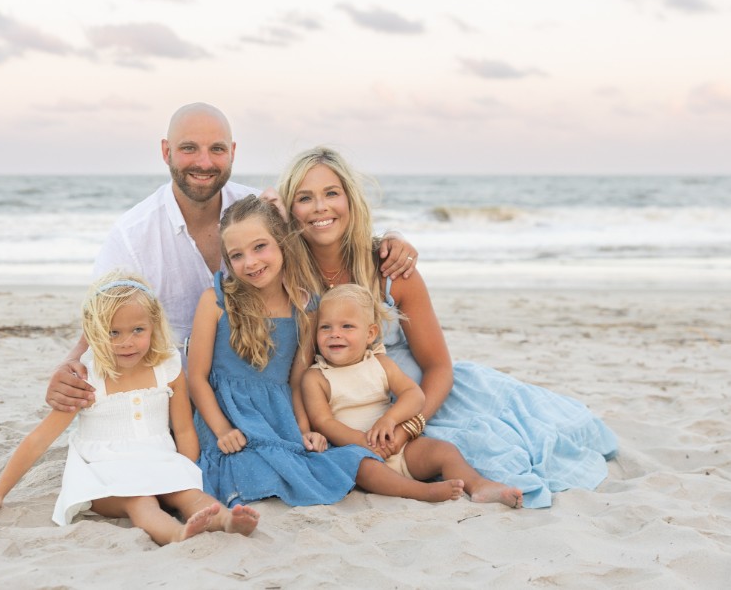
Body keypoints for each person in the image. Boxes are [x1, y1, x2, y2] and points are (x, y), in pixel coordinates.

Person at [278, 146, 619, 509]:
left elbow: (439, 366)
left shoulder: (391, 269)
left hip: (425, 402)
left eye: (332, 193)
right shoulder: (285, 278)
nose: (320, 207)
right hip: (348, 416)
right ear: (290, 209)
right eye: (304, 197)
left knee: (491, 449)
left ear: (351, 199)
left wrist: (412, 425)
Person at [46, 103, 417, 412]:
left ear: (233, 153)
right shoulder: (132, 234)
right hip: (179, 392)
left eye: (217, 150)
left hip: (268, 390)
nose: (204, 162)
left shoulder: (261, 211)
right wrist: (70, 362)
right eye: (189, 148)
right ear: (166, 152)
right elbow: (103, 313)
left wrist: (389, 240)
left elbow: (323, 231)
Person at [188, 196, 460, 506]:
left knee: (342, 461)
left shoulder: (304, 307)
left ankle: (417, 491)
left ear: (282, 243)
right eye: (236, 255)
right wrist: (222, 430)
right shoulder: (215, 301)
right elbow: (196, 377)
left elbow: (296, 381)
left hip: (280, 416)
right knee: (249, 467)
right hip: (228, 415)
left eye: (260, 247)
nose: (250, 262)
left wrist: (304, 430)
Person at [0, 270, 260, 545]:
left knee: (190, 496)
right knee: (141, 502)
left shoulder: (167, 367)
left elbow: (184, 429)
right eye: (113, 333)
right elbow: (39, 439)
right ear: (94, 331)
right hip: (104, 473)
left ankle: (226, 522)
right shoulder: (87, 378)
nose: (127, 342)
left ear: (154, 324)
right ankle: (175, 534)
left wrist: (186, 472)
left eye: (138, 330)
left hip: (158, 460)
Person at [303, 284, 523, 508]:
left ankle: (479, 485)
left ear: (370, 334)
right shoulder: (317, 377)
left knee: (444, 451)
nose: (335, 334)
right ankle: (423, 491)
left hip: (398, 446)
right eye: (325, 327)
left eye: (347, 326)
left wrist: (389, 419)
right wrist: (361, 443)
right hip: (357, 452)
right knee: (363, 469)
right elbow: (323, 421)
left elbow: (414, 395)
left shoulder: (380, 363)